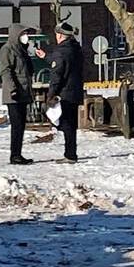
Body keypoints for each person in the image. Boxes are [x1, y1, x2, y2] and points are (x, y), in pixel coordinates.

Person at [48, 20, 85, 163]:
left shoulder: (60, 51)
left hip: (64, 93)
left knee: (65, 124)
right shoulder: (76, 49)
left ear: (59, 35)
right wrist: (46, 57)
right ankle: (71, 153)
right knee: (71, 125)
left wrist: (51, 93)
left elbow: (57, 74)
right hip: (75, 91)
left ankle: (70, 155)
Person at [2, 25, 39, 165]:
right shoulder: (7, 50)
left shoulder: (21, 50)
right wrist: (12, 89)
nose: (26, 36)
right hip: (14, 94)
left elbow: (29, 70)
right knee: (17, 125)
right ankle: (15, 155)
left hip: (23, 92)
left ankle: (18, 153)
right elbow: (6, 71)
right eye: (23, 33)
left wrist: (29, 49)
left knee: (21, 125)